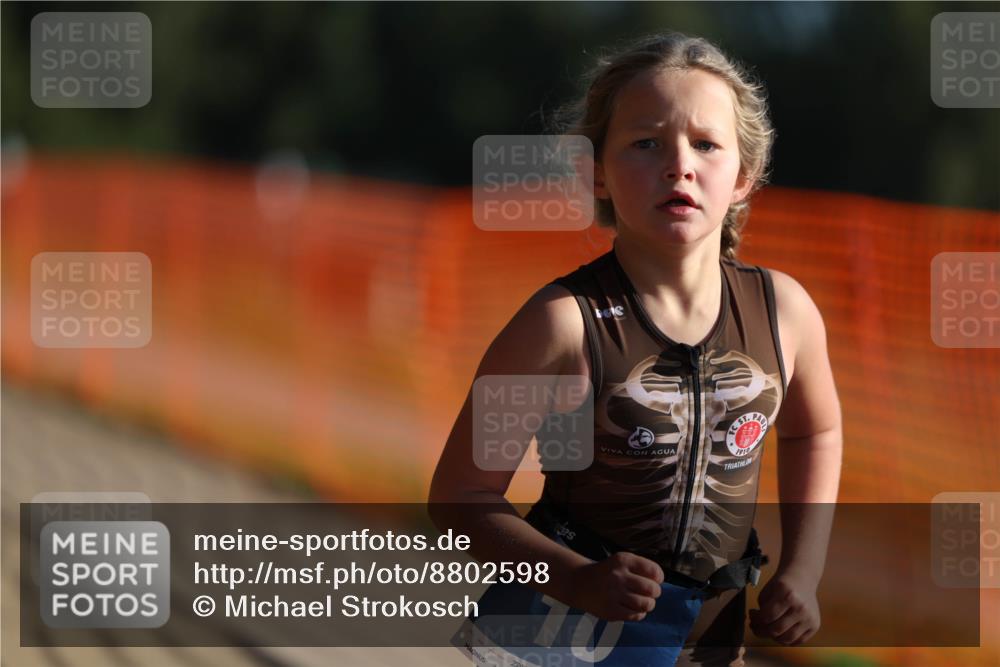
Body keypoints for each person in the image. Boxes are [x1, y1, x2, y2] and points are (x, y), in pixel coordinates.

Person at [429, 32, 842, 667]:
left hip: (710, 640)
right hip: (558, 641)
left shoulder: (785, 314)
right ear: (593, 171)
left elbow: (815, 431)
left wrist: (803, 569)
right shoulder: (562, 324)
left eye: (706, 144)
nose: (680, 164)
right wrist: (572, 577)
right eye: (645, 143)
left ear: (744, 175)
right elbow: (460, 498)